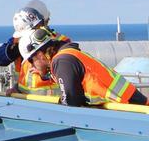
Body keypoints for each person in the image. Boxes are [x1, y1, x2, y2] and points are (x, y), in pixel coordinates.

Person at [20, 26, 148, 107]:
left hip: (130, 109)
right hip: (130, 106)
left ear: (40, 55)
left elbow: (71, 101)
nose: (32, 65)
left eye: (31, 60)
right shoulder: (67, 56)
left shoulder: (63, 61)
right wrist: (45, 75)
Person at [0, 1, 68, 95]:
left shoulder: (60, 41)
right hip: (25, 95)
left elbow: (66, 71)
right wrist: (16, 45)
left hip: (51, 97)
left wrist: (45, 72)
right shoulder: (20, 40)